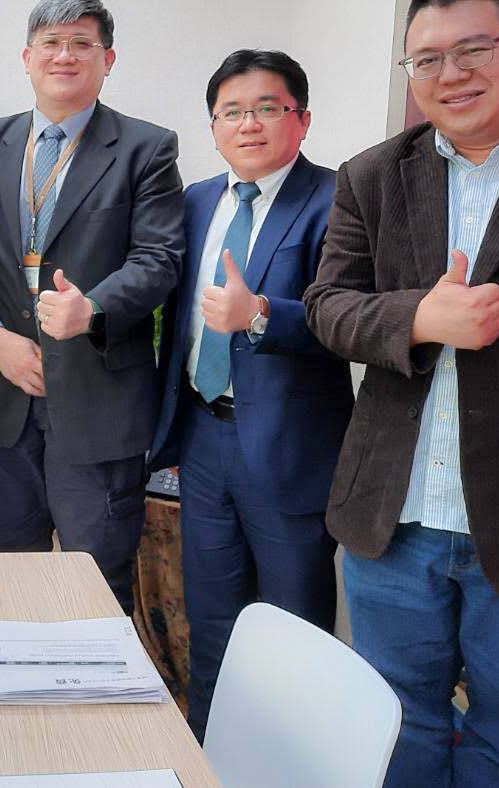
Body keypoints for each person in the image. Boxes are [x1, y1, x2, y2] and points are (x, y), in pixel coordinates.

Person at [305, 0, 499, 786]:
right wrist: (417, 320)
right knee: (396, 731)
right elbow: (327, 307)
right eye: (427, 59)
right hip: (392, 522)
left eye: (473, 50)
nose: (450, 75)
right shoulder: (372, 174)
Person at [0, 0, 183, 612]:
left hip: (98, 407)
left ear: (108, 59)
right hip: (4, 404)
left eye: (82, 43)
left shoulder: (147, 148)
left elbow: (159, 257)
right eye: (50, 43)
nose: (65, 56)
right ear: (27, 58)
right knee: (4, 586)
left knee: (95, 594)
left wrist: (93, 309)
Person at [147, 49, 353, 738]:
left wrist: (262, 314)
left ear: (301, 119)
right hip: (204, 440)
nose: (249, 124)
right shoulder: (197, 200)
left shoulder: (336, 200)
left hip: (292, 452)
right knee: (211, 623)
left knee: (294, 629)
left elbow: (348, 318)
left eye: (268, 108)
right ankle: (211, 756)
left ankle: (292, 764)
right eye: (231, 111)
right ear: (213, 127)